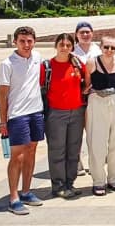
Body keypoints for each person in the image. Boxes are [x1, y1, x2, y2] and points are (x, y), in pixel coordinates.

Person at [0, 26, 45, 215]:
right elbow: (2, 96)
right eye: (22, 41)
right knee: (17, 156)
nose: (26, 45)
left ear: (34, 41)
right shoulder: (7, 64)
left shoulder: (37, 57)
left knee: (32, 151)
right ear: (15, 42)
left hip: (36, 112)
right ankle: (13, 197)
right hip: (17, 115)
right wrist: (3, 122)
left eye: (29, 41)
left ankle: (26, 191)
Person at [83, 36, 115, 196]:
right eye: (106, 47)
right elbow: (87, 85)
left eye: (113, 48)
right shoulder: (92, 62)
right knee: (97, 144)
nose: (109, 50)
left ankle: (114, 179)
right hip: (97, 102)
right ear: (101, 47)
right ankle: (98, 181)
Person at [44, 33, 87, 199]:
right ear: (56, 46)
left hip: (77, 112)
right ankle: (58, 185)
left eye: (68, 45)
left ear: (72, 47)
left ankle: (70, 182)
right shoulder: (47, 66)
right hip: (56, 113)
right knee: (57, 150)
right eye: (61, 45)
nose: (65, 48)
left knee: (73, 150)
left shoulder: (77, 64)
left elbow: (87, 82)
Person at [72, 21, 98, 177]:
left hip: (96, 95)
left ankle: (94, 162)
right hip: (78, 96)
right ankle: (76, 162)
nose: (85, 35)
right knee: (77, 131)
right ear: (76, 35)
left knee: (94, 132)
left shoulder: (98, 49)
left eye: (88, 32)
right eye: (82, 32)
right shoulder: (72, 52)